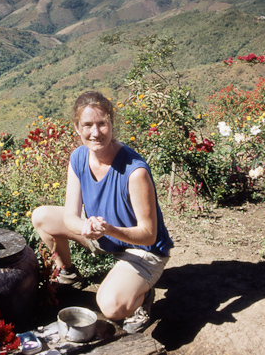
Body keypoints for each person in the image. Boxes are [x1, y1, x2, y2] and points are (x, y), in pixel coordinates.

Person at [31, 91, 173, 333]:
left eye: (102, 124)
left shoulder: (134, 171)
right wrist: (85, 227)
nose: (95, 133)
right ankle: (69, 275)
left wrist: (109, 230)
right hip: (104, 234)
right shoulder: (78, 158)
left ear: (111, 124)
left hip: (143, 250)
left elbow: (149, 235)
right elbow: (69, 216)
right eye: (87, 125)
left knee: (111, 306)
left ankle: (143, 295)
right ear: (77, 127)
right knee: (42, 217)